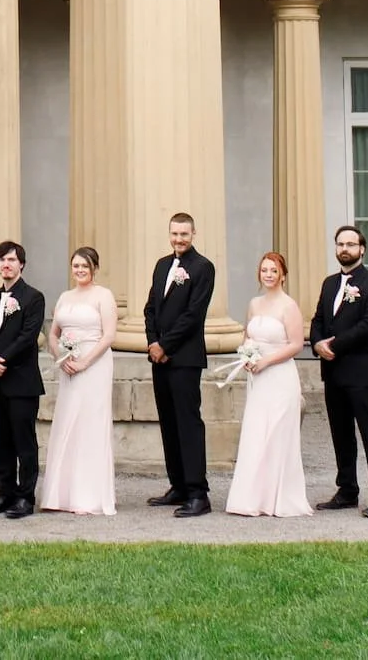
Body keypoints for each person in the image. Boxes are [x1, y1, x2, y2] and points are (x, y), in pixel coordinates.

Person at [309, 223, 368, 517]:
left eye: (350, 244)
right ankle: (347, 490)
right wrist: (316, 343)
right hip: (333, 372)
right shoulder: (329, 283)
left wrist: (333, 345)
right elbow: (318, 319)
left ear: (362, 249)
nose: (345, 249)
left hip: (361, 372)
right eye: (340, 244)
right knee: (341, 434)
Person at [224, 250, 312, 518]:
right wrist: (246, 357)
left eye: (274, 270)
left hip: (280, 376)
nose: (269, 275)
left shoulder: (289, 306)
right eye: (264, 270)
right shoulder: (254, 304)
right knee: (256, 433)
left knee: (276, 434)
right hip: (258, 379)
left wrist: (266, 361)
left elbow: (296, 344)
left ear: (283, 275)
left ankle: (278, 498)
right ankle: (253, 498)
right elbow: (247, 336)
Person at [144, 210, 217, 517]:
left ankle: (198, 493)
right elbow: (151, 308)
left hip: (185, 358)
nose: (179, 239)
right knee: (169, 422)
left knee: (188, 423)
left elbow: (193, 315)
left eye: (184, 234)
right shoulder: (162, 265)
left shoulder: (203, 267)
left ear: (193, 234)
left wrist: (165, 345)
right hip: (159, 358)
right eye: (175, 234)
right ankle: (178, 485)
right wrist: (152, 342)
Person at [36, 245, 118, 515]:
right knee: (67, 421)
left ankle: (88, 494)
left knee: (90, 423)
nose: (80, 270)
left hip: (94, 365)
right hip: (68, 366)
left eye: (85, 266)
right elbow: (53, 333)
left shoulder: (103, 296)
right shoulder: (64, 297)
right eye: (76, 266)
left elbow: (108, 335)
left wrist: (85, 362)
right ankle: (61, 494)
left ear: (94, 268)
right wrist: (61, 356)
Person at [0, 240, 46, 518]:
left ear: (21, 265)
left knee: (23, 441)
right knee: (0, 440)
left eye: (12, 260)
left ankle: (25, 497)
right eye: (2, 260)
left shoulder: (34, 297)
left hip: (21, 381)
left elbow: (28, 337)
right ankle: (5, 492)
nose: (6, 264)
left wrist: (0, 361)